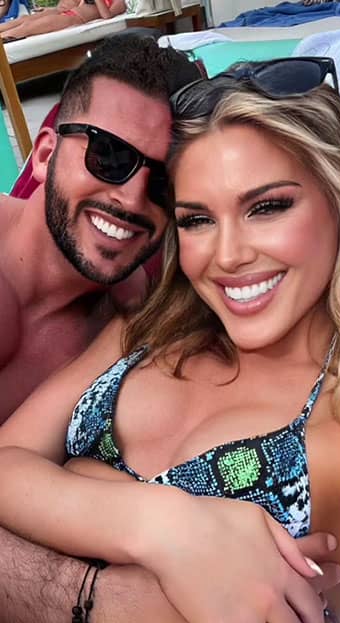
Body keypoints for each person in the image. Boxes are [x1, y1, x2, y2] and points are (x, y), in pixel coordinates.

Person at [0, 57, 340, 623]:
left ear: (336, 199)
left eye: (267, 208)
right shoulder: (147, 327)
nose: (228, 256)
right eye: (196, 219)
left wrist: (75, 478)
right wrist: (166, 525)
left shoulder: (339, 430)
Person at [0, 35, 198, 422]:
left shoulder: (136, 320)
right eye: (108, 155)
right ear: (45, 155)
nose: (132, 199)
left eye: (164, 183)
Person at [0, 0, 125, 41]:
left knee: (29, 27)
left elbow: (107, 16)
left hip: (72, 18)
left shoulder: (120, 2)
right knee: (25, 19)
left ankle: (3, 37)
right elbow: (79, 6)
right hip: (67, 13)